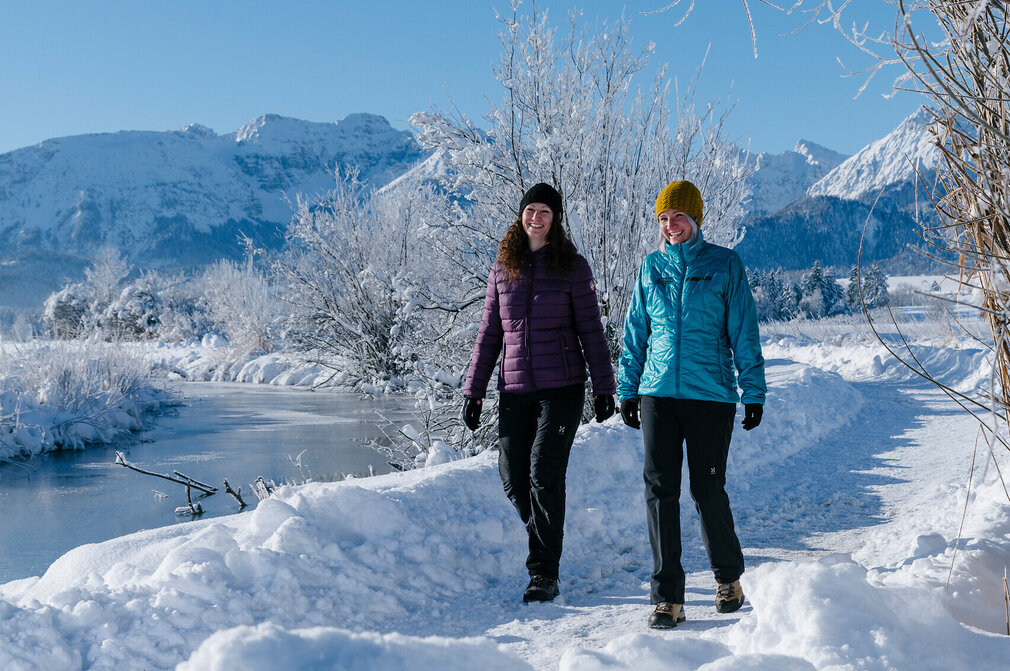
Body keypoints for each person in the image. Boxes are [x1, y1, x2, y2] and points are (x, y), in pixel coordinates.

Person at [617, 179, 766, 629]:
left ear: (695, 218)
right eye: (663, 219)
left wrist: (753, 390)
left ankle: (728, 578)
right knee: (660, 492)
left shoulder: (724, 265)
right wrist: (628, 387)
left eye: (678, 216)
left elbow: (744, 330)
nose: (670, 225)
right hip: (658, 394)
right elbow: (635, 332)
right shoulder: (650, 268)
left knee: (706, 490)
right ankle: (667, 598)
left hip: (711, 396)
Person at [462, 182, 617, 603]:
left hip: (562, 389)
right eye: (531, 209)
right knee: (513, 477)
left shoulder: (573, 267)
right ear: (521, 215)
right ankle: (547, 536)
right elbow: (489, 334)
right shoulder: (502, 268)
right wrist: (473, 391)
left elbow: (592, 331)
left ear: (556, 218)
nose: (536, 217)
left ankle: (543, 573)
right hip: (514, 390)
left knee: (544, 473)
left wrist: (604, 387)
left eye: (545, 211)